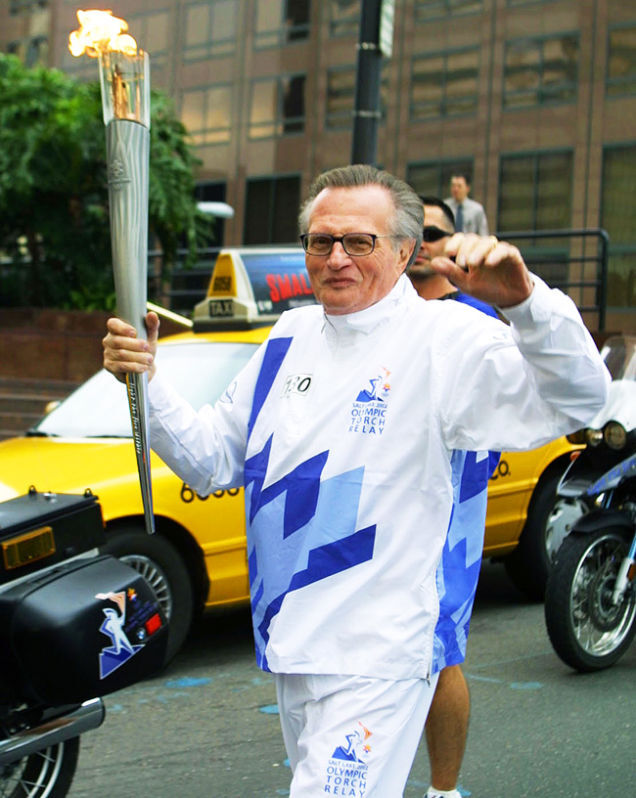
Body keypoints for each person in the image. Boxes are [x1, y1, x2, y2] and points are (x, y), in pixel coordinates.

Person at [103, 165, 609, 797]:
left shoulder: (447, 340)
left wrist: (527, 304)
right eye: (321, 241)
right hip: (293, 641)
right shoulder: (287, 338)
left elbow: (580, 400)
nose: (336, 257)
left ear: (404, 251)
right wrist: (146, 381)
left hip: (380, 651)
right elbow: (210, 461)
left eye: (358, 241)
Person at [409, 195, 498, 798]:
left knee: (439, 650)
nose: (421, 242)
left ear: (454, 243)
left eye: (434, 232)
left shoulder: (474, 317)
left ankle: (444, 790)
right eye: (410, 230)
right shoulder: (383, 311)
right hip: (385, 506)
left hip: (450, 506)